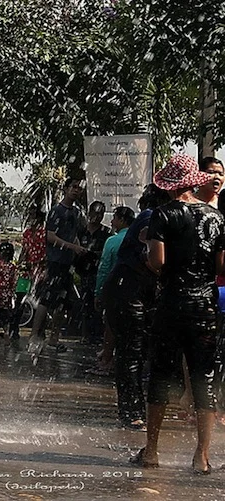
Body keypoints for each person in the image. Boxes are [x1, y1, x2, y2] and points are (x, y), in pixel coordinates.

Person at [130, 154, 224, 474]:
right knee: (204, 379)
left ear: (169, 187)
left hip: (171, 305)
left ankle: (152, 451)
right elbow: (221, 266)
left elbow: (157, 262)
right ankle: (202, 455)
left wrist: (149, 256)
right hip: (205, 309)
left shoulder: (163, 215)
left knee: (160, 376)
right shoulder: (216, 218)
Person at [103, 185, 168, 430]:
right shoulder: (151, 218)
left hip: (134, 289)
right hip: (126, 288)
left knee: (140, 351)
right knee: (132, 350)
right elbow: (151, 260)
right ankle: (131, 412)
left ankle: (136, 408)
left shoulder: (155, 216)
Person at [27, 178, 87, 358]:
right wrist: (71, 247)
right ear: (66, 189)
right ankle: (34, 335)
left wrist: (79, 249)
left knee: (63, 300)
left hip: (68, 263)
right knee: (47, 298)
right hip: (55, 262)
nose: (76, 191)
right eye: (73, 187)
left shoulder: (77, 213)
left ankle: (54, 337)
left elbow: (74, 235)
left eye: (79, 188)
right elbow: (51, 237)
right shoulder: (56, 211)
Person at [87, 205, 135, 377]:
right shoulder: (138, 238)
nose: (112, 221)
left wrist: (98, 293)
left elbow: (104, 268)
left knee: (110, 327)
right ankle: (123, 363)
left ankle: (107, 362)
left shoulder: (112, 241)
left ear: (122, 220)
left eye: (114, 218)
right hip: (134, 292)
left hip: (114, 290)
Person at [74, 200, 113, 344]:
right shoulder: (80, 230)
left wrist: (94, 253)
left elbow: (107, 253)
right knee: (85, 305)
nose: (97, 217)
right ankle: (85, 335)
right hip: (83, 273)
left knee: (99, 305)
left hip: (99, 274)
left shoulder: (106, 233)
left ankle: (99, 337)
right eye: (95, 213)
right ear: (89, 213)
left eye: (100, 214)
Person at [9, 206, 46, 346]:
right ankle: (14, 329)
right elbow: (24, 250)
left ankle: (39, 331)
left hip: (39, 271)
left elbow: (46, 254)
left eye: (33, 216)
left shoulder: (44, 234)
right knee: (20, 299)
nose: (31, 219)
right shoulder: (27, 233)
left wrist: (37, 264)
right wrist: (20, 264)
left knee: (39, 302)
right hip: (27, 271)